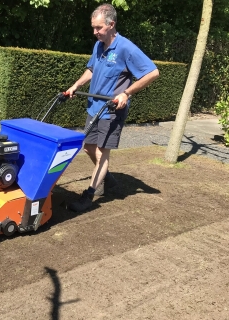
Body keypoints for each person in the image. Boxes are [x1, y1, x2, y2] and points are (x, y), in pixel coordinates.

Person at [66, 3, 159, 212]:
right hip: (94, 108)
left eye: (98, 28)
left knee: (102, 154)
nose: (95, 32)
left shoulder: (126, 48)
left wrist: (126, 93)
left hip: (111, 110)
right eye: (93, 27)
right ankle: (107, 178)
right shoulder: (99, 45)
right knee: (89, 147)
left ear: (111, 25)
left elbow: (153, 72)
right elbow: (91, 69)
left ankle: (89, 196)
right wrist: (75, 85)